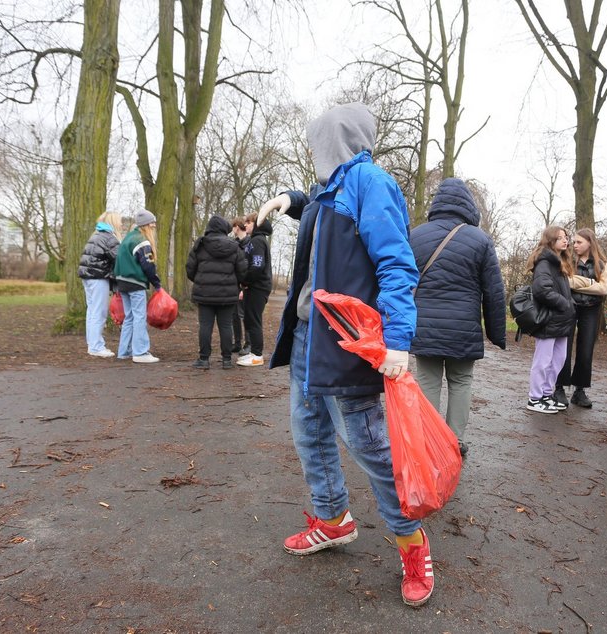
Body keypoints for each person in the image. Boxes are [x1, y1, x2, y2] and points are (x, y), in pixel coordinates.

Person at [258, 102, 434, 608]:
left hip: (348, 347)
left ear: (338, 140)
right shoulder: (327, 190)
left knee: (371, 448)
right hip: (308, 343)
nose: (314, 151)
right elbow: (317, 208)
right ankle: (333, 520)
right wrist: (287, 199)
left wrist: (399, 341)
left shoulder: (370, 182)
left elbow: (398, 266)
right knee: (309, 435)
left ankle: (412, 544)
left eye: (319, 141)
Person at [409, 177, 506, 457]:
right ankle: (453, 441)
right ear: (468, 205)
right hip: (463, 328)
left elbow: (400, 280)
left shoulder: (416, 235)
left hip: (424, 325)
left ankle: (428, 439)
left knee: (427, 380)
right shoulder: (480, 240)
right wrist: (496, 333)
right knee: (461, 381)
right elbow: (494, 292)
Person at [555, 228, 607, 409]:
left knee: (586, 350)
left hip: (591, 310)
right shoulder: (567, 259)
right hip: (569, 307)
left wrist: (577, 282)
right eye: (574, 242)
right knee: (564, 347)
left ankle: (580, 391)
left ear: (589, 243)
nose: (574, 245)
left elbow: (603, 289)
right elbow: (563, 281)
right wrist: (591, 283)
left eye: (579, 242)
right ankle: (559, 388)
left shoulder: (602, 264)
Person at [525, 226, 576, 414]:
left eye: (566, 237)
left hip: (562, 321)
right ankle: (535, 397)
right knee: (543, 360)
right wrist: (565, 304)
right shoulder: (545, 262)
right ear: (550, 240)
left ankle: (546, 394)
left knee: (558, 360)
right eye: (560, 238)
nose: (565, 240)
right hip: (549, 320)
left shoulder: (559, 262)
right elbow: (541, 290)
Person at [186, 215, 247, 370]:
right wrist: (236, 284)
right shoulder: (234, 246)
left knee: (205, 325)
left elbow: (190, 269)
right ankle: (227, 360)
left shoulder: (200, 245)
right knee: (226, 325)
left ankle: (204, 359)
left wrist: (200, 281)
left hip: (204, 293)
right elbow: (242, 270)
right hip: (227, 294)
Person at [113, 210, 161, 363]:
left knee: (129, 317)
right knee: (140, 316)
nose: (153, 227)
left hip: (122, 282)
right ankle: (140, 352)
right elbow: (148, 266)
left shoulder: (128, 238)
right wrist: (157, 284)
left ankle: (124, 351)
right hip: (135, 282)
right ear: (146, 225)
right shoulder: (142, 241)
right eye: (152, 224)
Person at [77, 212, 123, 358]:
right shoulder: (109, 238)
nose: (121, 224)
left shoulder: (96, 235)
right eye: (120, 221)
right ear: (114, 222)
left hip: (88, 276)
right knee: (99, 312)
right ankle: (97, 346)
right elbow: (119, 259)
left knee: (91, 311)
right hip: (98, 277)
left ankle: (92, 344)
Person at [236, 211, 273, 367]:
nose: (245, 225)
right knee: (250, 320)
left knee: (254, 320)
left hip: (258, 287)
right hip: (253, 286)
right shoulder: (254, 240)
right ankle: (253, 352)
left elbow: (257, 266)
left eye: (249, 222)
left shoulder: (257, 241)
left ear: (257, 224)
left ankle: (257, 355)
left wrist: (244, 281)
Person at [230, 217, 250, 357]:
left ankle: (248, 344)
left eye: (233, 226)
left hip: (246, 285)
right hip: (234, 284)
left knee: (245, 315)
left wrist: (244, 287)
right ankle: (237, 343)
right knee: (234, 315)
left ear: (237, 227)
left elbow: (249, 267)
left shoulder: (250, 243)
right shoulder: (234, 244)